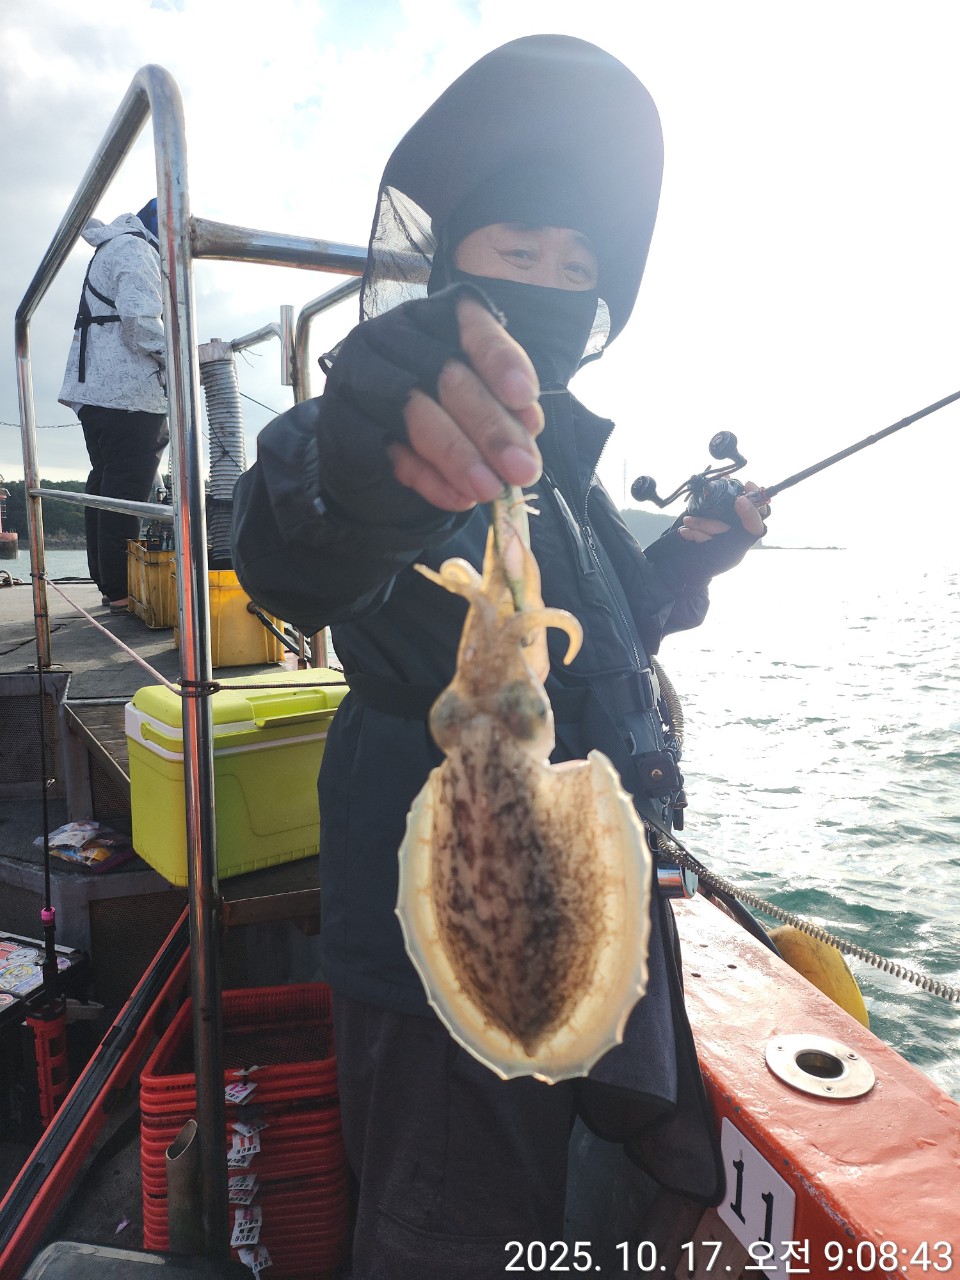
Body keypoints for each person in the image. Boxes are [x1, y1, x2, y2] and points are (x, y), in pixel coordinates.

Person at [233, 35, 768, 1278]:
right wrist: (368, 469)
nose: (552, 284)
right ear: (446, 271)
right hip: (440, 956)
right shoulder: (386, 425)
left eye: (577, 266)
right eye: (517, 255)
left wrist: (695, 553)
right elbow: (295, 544)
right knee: (447, 1237)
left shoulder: (561, 468)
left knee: (601, 1195)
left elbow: (614, 629)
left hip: (592, 900)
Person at [59, 198, 169, 611]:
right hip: (128, 393)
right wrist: (180, 360)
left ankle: (110, 585)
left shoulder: (116, 245)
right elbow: (141, 322)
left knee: (106, 484)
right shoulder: (136, 248)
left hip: (99, 391)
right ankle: (122, 590)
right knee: (127, 488)